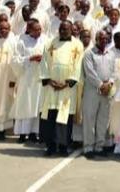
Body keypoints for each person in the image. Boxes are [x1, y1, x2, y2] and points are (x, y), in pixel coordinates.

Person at [38, 20, 84, 156]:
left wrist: (68, 83)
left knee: (64, 117)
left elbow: (79, 66)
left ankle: (63, 147)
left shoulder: (78, 45)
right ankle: (51, 146)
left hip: (67, 89)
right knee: (50, 116)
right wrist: (49, 81)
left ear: (71, 30)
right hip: (51, 87)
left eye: (66, 29)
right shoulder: (50, 43)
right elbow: (44, 62)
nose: (63, 31)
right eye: (61, 29)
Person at [11, 19, 46, 143]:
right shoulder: (22, 42)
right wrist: (30, 59)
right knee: (25, 104)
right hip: (26, 78)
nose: (39, 32)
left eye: (40, 29)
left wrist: (43, 59)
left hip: (39, 78)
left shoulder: (44, 40)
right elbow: (15, 60)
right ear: (29, 30)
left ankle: (33, 133)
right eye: (36, 30)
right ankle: (22, 133)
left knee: (37, 105)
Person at [81, 30, 114, 158]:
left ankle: (99, 147)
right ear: (96, 39)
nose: (104, 41)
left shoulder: (110, 54)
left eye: (106, 39)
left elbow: (113, 72)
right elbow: (89, 73)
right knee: (89, 119)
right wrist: (101, 85)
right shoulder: (89, 54)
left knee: (103, 120)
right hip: (92, 91)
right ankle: (88, 148)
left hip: (107, 91)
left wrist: (109, 83)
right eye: (101, 39)